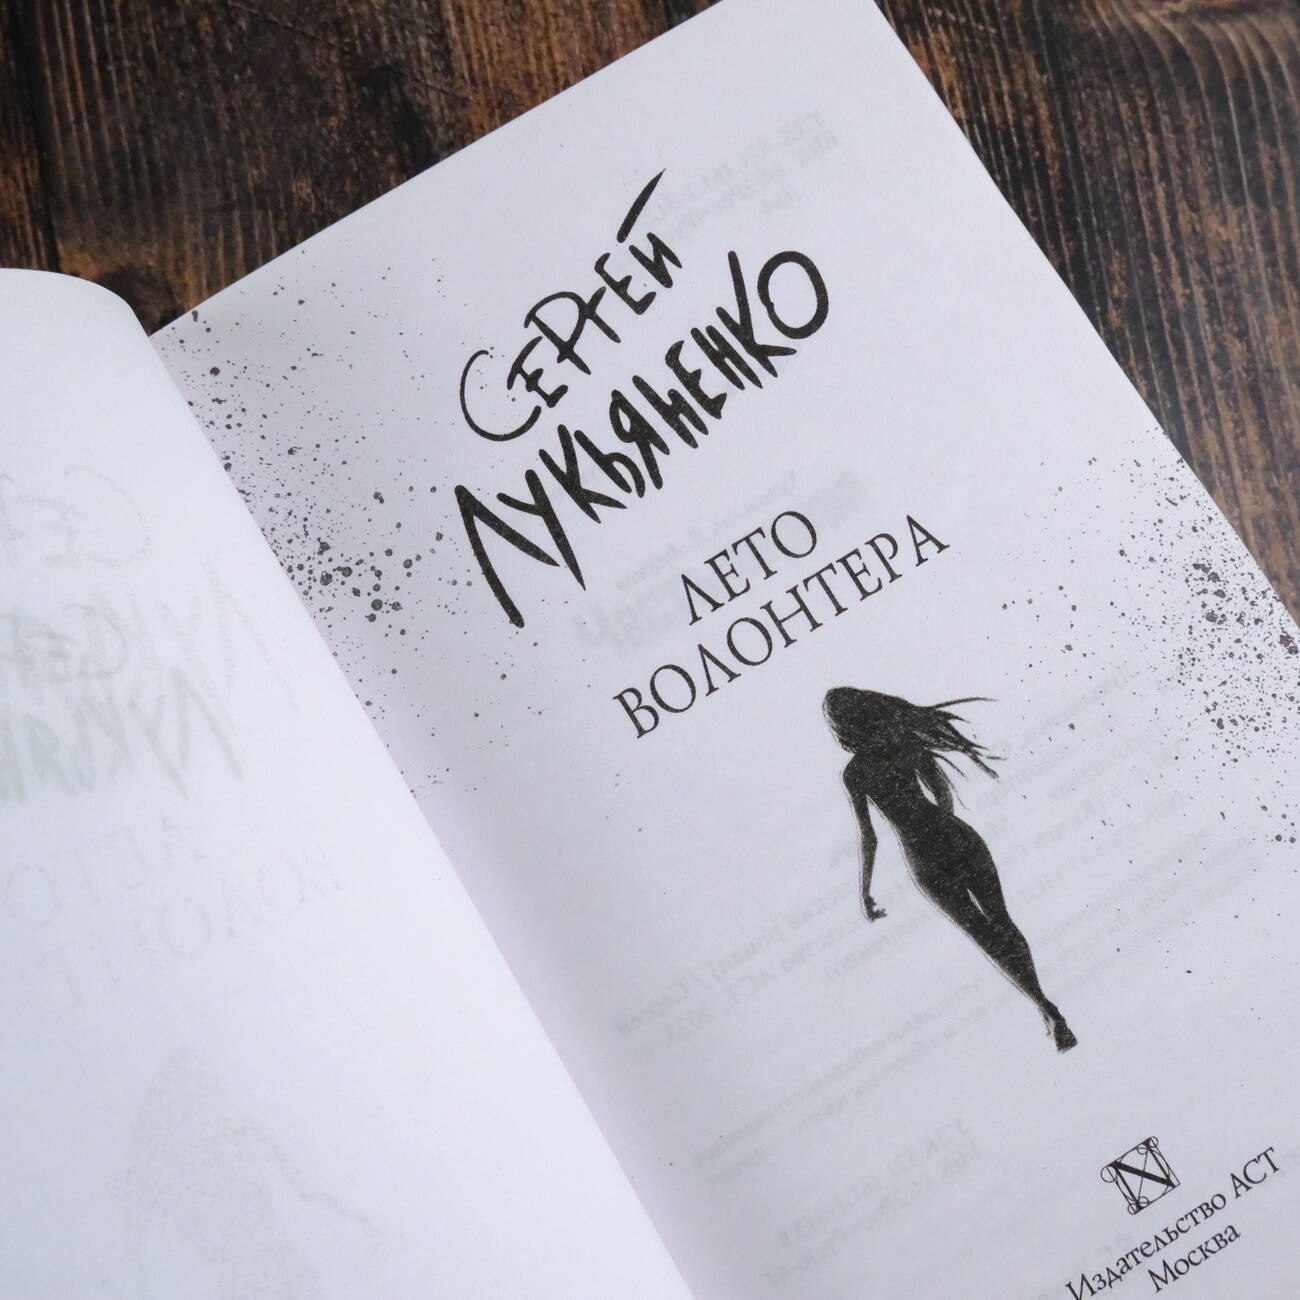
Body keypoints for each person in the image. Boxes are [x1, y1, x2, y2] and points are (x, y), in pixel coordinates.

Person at [824, 687, 1076, 1052]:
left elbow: (869, 837)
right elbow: (943, 795)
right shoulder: (907, 742)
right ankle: (1045, 1007)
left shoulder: (855, 773)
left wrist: (864, 892)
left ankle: (1045, 1006)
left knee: (982, 933)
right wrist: (943, 829)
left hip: (923, 855)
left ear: (842, 727)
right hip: (957, 836)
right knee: (1002, 920)